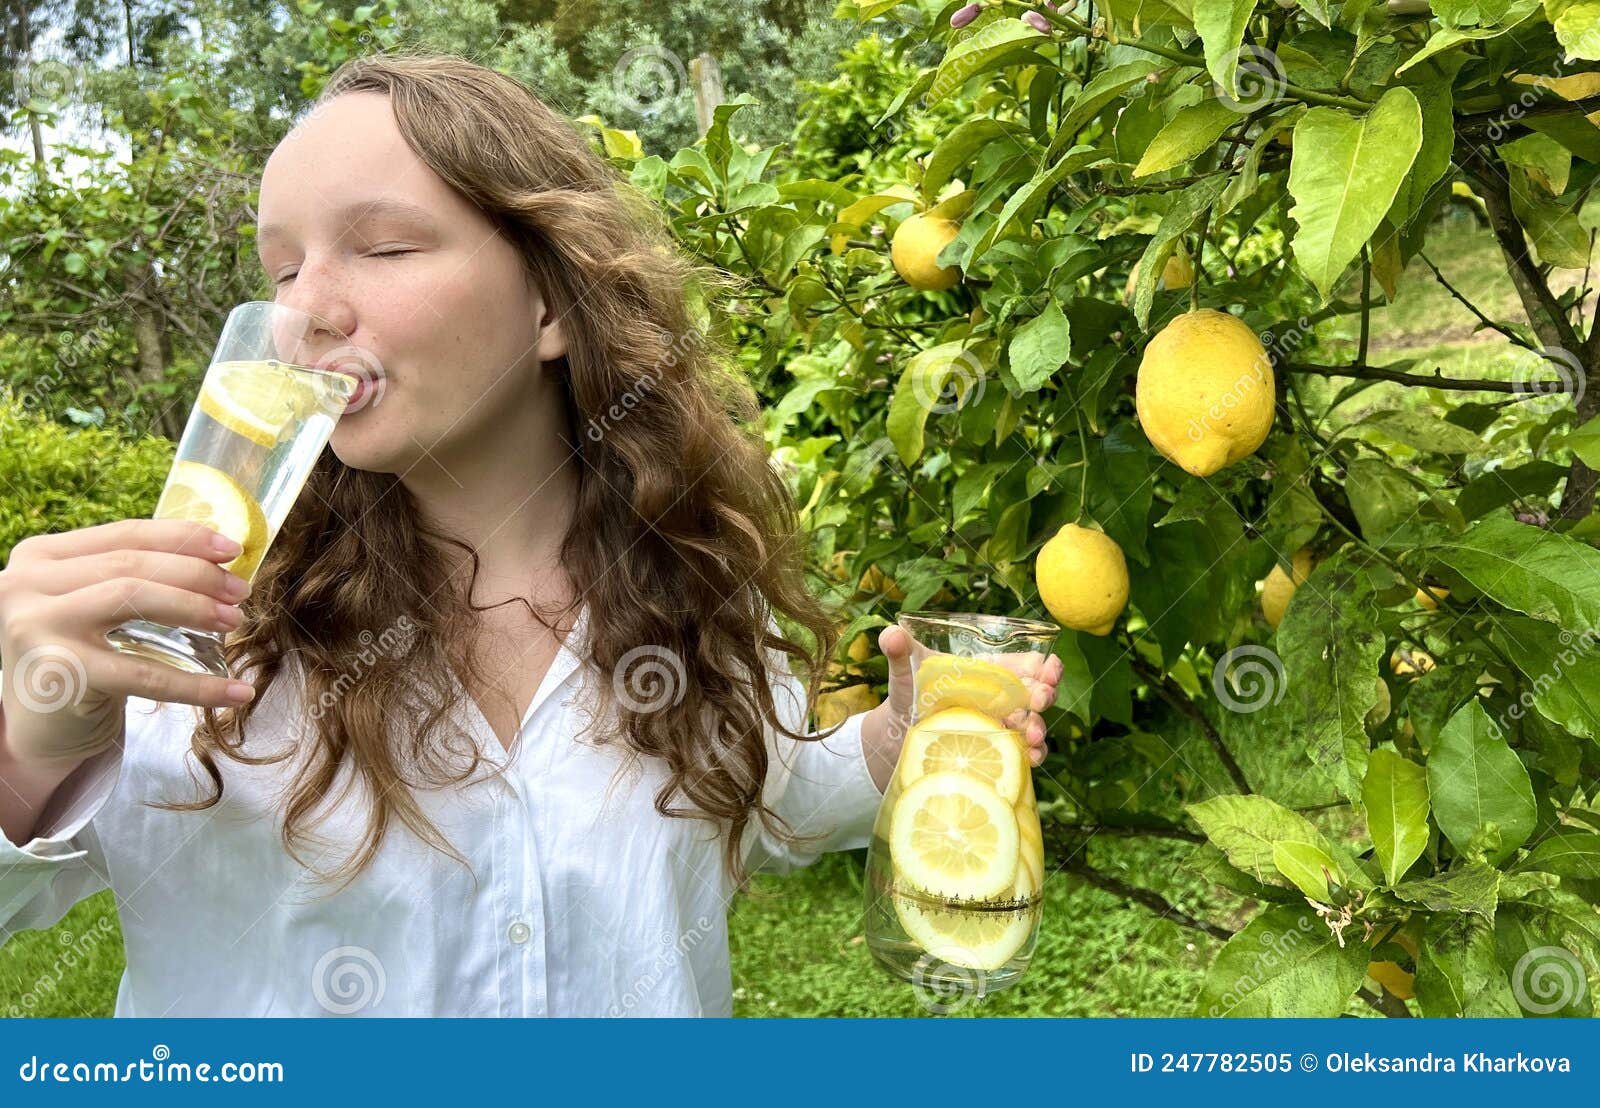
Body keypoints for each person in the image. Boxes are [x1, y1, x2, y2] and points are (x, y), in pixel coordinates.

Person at [0, 53, 1063, 1017]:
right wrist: (27, 744)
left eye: (382, 246)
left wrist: (885, 746)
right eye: (280, 271)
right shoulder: (176, 628)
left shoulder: (689, 586)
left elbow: (747, 792)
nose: (305, 311)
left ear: (551, 304)